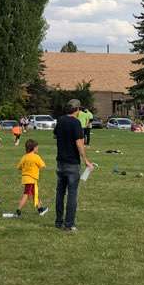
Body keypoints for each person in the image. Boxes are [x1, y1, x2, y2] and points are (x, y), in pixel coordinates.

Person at [53, 99, 95, 232]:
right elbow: (79, 144)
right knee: (72, 194)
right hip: (72, 163)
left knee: (60, 193)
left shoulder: (60, 120)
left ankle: (59, 221)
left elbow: (55, 135)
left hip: (60, 162)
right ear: (77, 109)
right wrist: (86, 160)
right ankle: (69, 224)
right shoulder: (75, 123)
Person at [14, 139, 48, 218]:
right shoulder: (36, 157)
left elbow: (19, 167)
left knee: (34, 194)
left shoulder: (24, 157)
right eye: (37, 147)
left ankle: (40, 209)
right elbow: (43, 165)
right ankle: (18, 210)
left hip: (26, 179)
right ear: (33, 148)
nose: (38, 148)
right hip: (32, 179)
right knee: (26, 194)